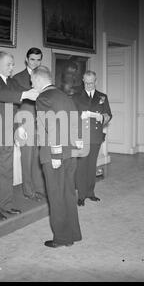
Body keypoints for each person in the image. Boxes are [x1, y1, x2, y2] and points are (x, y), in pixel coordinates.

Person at [0, 51, 39, 221]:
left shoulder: (12, 82)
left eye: (12, 64)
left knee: (6, 172)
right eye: (8, 64)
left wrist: (19, 127)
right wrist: (25, 95)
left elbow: (16, 106)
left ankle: (6, 205)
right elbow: (1, 95)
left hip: (7, 135)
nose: (12, 67)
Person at [33, 66, 82, 248]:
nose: (33, 85)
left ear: (38, 80)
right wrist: (77, 144)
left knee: (56, 196)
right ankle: (74, 234)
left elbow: (51, 126)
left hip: (55, 154)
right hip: (70, 153)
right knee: (68, 193)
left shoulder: (43, 98)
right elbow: (75, 120)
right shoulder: (64, 96)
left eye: (33, 82)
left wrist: (55, 153)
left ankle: (62, 238)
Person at [72, 71, 112, 206]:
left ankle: (90, 193)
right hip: (81, 136)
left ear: (96, 81)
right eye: (86, 82)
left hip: (95, 136)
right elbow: (71, 117)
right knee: (81, 166)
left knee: (91, 165)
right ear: (83, 80)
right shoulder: (76, 97)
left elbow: (108, 114)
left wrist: (103, 118)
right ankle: (81, 195)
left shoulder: (102, 97)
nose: (89, 85)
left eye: (92, 82)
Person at [12, 48, 46, 201]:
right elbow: (13, 105)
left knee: (39, 158)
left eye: (38, 60)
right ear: (26, 59)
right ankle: (28, 191)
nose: (35, 63)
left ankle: (39, 188)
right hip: (25, 123)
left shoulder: (44, 76)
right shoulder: (17, 78)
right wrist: (18, 126)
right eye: (32, 59)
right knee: (27, 158)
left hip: (42, 123)